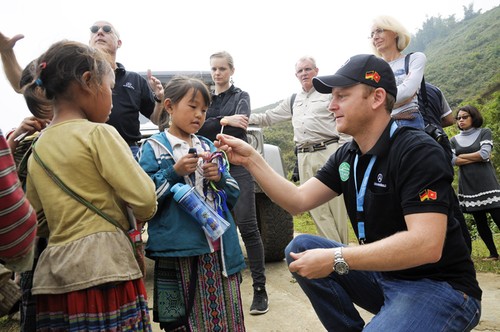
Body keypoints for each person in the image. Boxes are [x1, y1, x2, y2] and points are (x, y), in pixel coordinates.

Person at [216, 54, 482, 331]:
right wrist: (250, 159)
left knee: (325, 256)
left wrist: (337, 257)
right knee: (300, 248)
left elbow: (426, 244)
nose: (331, 106)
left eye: (341, 96)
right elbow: (298, 201)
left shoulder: (417, 151)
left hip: (438, 287)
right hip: (385, 277)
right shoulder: (349, 154)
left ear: (377, 98)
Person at [22, 40, 157, 330]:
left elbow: (37, 221)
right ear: (87, 81)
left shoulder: (38, 149)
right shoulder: (99, 134)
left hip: (55, 282)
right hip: (107, 272)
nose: (112, 99)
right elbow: (145, 199)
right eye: (110, 89)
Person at [138, 76, 246, 331]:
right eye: (192, 106)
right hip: (177, 252)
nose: (199, 115)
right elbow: (144, 199)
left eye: (204, 110)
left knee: (227, 319)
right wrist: (173, 172)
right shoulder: (152, 148)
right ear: (169, 106)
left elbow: (233, 193)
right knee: (181, 322)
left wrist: (218, 177)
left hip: (217, 251)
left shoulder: (208, 146)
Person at [1, 24, 164, 156]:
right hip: (74, 148)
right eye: (94, 30)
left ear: (119, 42)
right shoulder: (68, 70)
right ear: (86, 80)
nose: (100, 32)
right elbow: (27, 85)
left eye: (107, 30)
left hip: (127, 150)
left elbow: (157, 120)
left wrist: (158, 99)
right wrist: (6, 52)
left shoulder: (135, 79)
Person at [249, 56, 350, 243]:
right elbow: (269, 117)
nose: (304, 73)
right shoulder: (294, 100)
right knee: (315, 208)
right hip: (304, 156)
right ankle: (334, 252)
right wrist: (243, 117)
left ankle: (342, 254)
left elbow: (345, 120)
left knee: (337, 206)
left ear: (316, 71)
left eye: (308, 69)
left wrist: (343, 153)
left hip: (329, 151)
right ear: (296, 75)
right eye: (300, 71)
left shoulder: (330, 94)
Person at [197, 51, 268, 315]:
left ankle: (260, 290)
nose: (217, 73)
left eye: (222, 69)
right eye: (214, 69)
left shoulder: (241, 97)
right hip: (210, 167)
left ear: (232, 70)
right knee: (213, 228)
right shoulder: (205, 98)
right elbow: (198, 126)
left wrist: (215, 124)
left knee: (248, 227)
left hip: (237, 167)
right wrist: (225, 120)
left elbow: (240, 127)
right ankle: (222, 288)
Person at [451, 105, 500, 261]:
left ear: (473, 117)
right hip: (468, 185)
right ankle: (493, 254)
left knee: (498, 216)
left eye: (465, 117)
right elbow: (452, 160)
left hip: (487, 182)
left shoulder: (484, 132)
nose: (461, 120)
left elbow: (485, 153)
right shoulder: (453, 140)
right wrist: (478, 156)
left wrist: (463, 157)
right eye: (458, 118)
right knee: (480, 221)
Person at [371, 15, 425, 129]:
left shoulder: (415, 58)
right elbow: (369, 102)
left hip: (409, 120)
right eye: (372, 34)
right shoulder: (372, 68)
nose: (375, 37)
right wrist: (400, 100)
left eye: (379, 31)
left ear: (395, 32)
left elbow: (407, 92)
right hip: (381, 126)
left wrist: (380, 102)